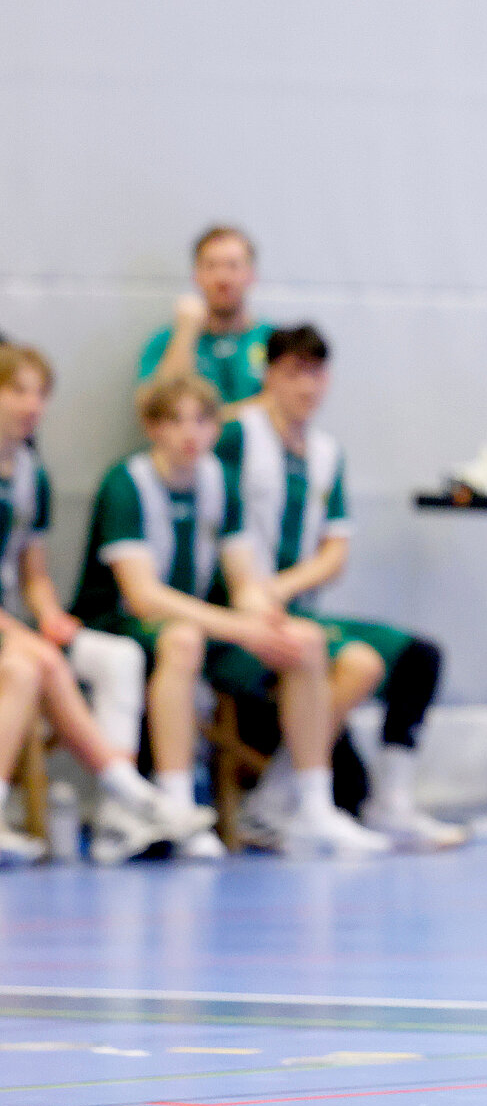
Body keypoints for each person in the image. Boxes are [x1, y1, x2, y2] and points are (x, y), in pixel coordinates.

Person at [72, 374, 369, 855]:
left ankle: (310, 805)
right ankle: (176, 803)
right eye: (175, 421)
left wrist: (265, 615)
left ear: (216, 429)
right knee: (183, 639)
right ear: (152, 428)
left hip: (198, 622)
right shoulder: (127, 482)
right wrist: (238, 626)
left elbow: (241, 579)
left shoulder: (220, 482)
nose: (190, 434)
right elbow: (143, 595)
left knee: (305, 642)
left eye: (202, 421)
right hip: (117, 625)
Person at [214, 325, 463, 851]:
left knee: (418, 656)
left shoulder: (326, 453)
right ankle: (288, 799)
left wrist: (280, 587)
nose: (307, 387)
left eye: (317, 373)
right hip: (237, 610)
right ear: (270, 376)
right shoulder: (238, 434)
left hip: (291, 606)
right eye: (294, 373)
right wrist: (257, 594)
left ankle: (384, 803)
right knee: (357, 663)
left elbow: (334, 555)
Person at [0, 345, 216, 864]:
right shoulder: (128, 482)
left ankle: (123, 818)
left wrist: (48, 613)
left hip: (13, 625)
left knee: (114, 658)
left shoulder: (32, 474)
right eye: (17, 390)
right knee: (31, 665)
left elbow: (34, 576)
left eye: (41, 393)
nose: (32, 405)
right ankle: (135, 793)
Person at [139, 226, 275, 408]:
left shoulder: (273, 340)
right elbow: (157, 411)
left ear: (251, 275)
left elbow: (287, 410)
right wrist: (186, 333)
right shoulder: (166, 341)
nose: (222, 278)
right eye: (211, 266)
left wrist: (206, 421)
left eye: (233, 265)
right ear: (196, 275)